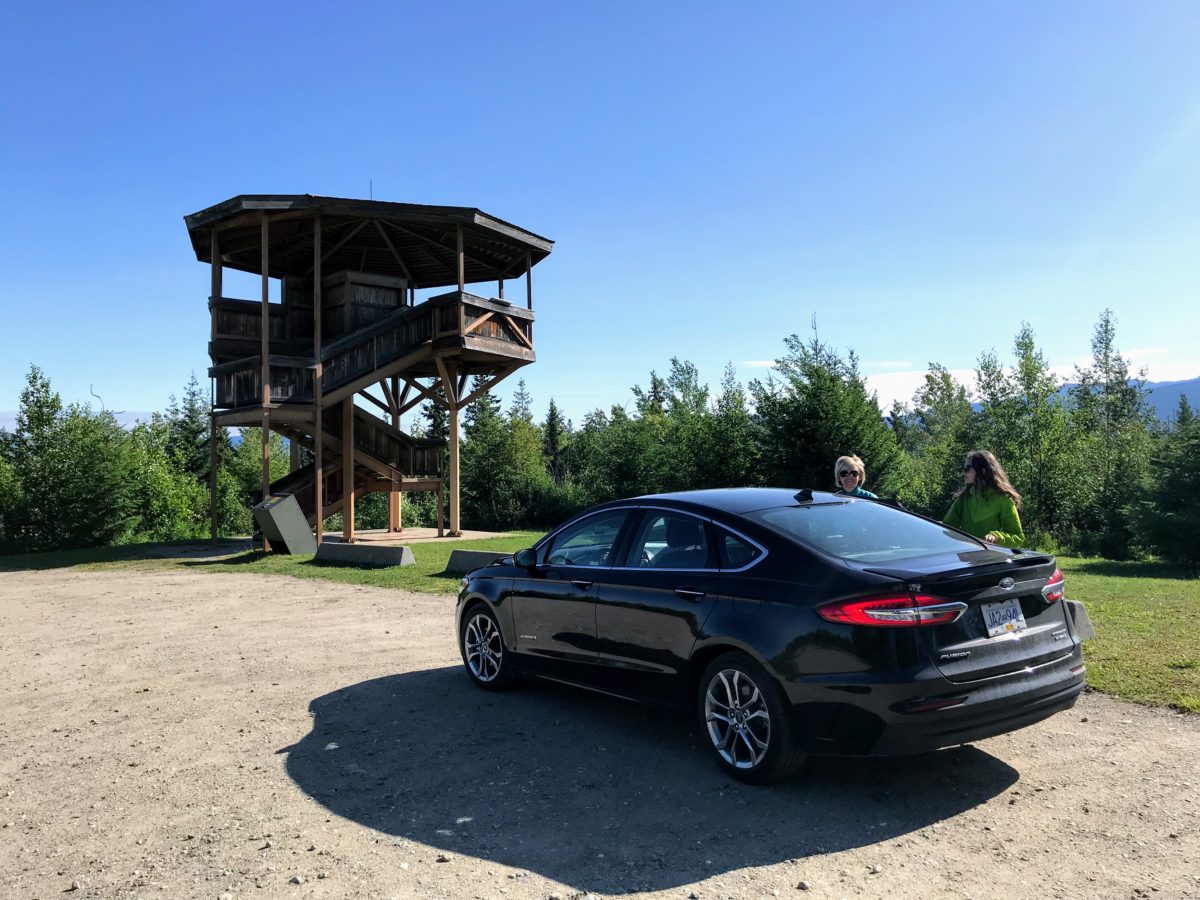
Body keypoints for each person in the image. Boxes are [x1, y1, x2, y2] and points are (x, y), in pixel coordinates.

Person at [944, 450, 1026, 547]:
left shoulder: (1003, 500)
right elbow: (947, 527)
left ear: (982, 471)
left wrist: (997, 537)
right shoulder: (964, 498)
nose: (964, 472)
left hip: (991, 558)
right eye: (964, 468)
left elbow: (1018, 537)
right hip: (966, 557)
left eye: (967, 468)